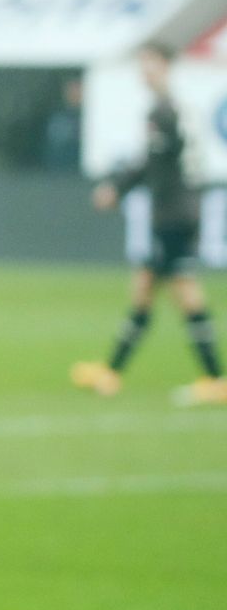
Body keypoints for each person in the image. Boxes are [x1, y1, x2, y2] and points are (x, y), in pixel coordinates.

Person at [72, 42, 226, 405]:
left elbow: (149, 163)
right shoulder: (176, 108)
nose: (145, 71)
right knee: (143, 289)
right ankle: (111, 371)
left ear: (166, 66)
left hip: (173, 214)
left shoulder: (164, 111)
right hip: (180, 211)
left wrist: (116, 189)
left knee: (185, 293)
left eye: (151, 64)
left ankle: (216, 379)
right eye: (142, 64)